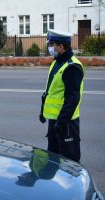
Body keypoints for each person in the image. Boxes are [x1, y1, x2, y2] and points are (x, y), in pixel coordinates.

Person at [39, 29, 85, 162]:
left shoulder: (72, 67)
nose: (49, 47)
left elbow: (72, 99)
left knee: (69, 162)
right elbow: (50, 91)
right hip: (54, 121)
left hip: (67, 123)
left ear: (60, 46)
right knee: (52, 160)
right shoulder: (56, 62)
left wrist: (61, 122)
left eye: (51, 44)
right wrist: (43, 112)